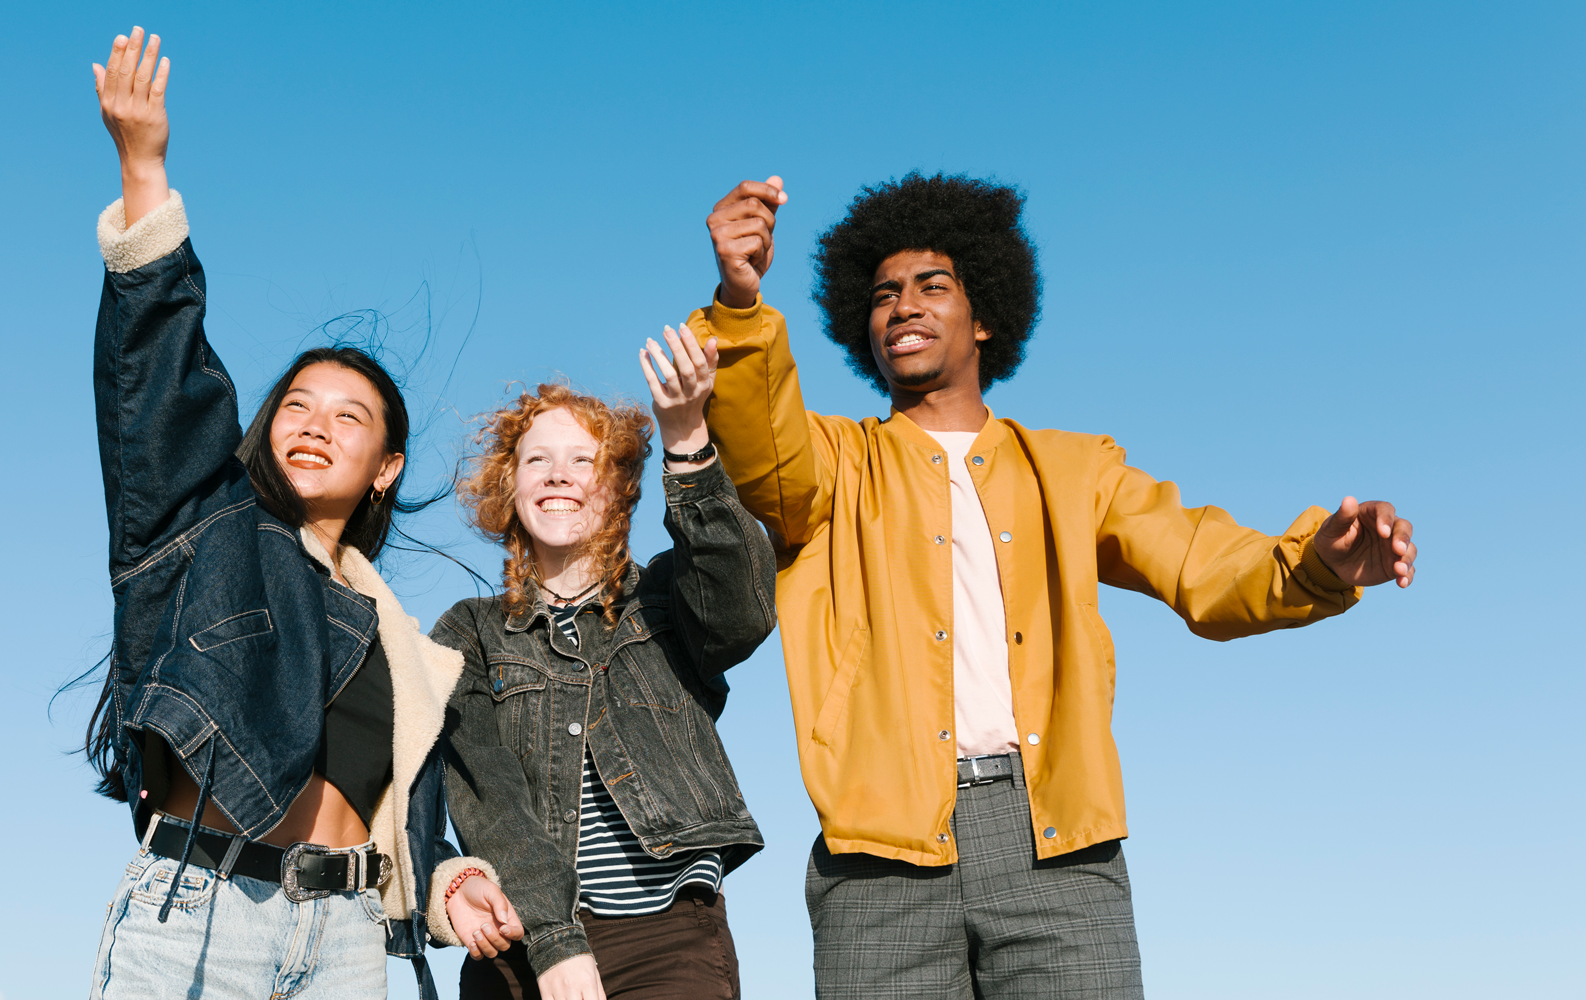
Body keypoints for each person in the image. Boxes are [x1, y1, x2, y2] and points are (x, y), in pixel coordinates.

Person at [684, 172, 1419, 999]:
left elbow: (1202, 562)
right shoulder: (832, 464)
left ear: (985, 314)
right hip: (877, 860)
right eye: (884, 294)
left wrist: (1317, 563)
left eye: (934, 285)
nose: (905, 305)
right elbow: (761, 451)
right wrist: (740, 303)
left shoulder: (1076, 470)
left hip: (1060, 846)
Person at [80, 27, 524, 1000]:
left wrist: (447, 880)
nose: (316, 425)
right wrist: (145, 176)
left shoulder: (396, 638)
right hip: (204, 915)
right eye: (295, 405)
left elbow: (404, 817)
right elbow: (162, 395)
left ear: (386, 465)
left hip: (352, 944)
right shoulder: (207, 533)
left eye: (348, 416)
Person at [430, 337, 778, 1000]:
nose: (559, 475)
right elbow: (487, 796)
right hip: (520, 941)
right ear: (512, 486)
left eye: (582, 460)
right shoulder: (468, 630)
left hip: (670, 941)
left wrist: (687, 439)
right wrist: (555, 940)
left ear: (616, 487)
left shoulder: (670, 601)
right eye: (538, 460)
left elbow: (745, 609)